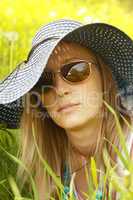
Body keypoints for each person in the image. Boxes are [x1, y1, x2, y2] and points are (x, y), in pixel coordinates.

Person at [0, 19, 133, 200]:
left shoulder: (129, 149)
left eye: (76, 70)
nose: (60, 90)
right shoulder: (52, 162)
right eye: (44, 81)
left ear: (105, 78)